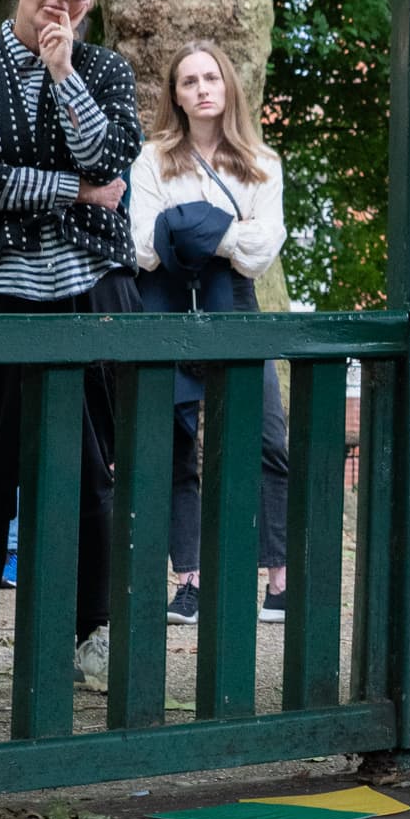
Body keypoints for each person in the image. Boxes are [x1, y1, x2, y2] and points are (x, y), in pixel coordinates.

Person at [0, 0, 142, 701]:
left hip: (91, 287)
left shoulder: (104, 68)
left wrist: (65, 74)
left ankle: (93, 631)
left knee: (91, 470)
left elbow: (112, 159)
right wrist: (73, 191)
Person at [130, 42, 290, 625]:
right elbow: (144, 248)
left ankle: (278, 581)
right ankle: (190, 581)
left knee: (268, 437)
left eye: (211, 78)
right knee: (180, 449)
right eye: (189, 80)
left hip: (235, 301)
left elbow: (261, 252)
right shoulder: (151, 160)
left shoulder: (261, 161)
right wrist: (229, 229)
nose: (201, 88)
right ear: (175, 94)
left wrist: (192, 229)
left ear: (228, 87)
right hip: (169, 303)